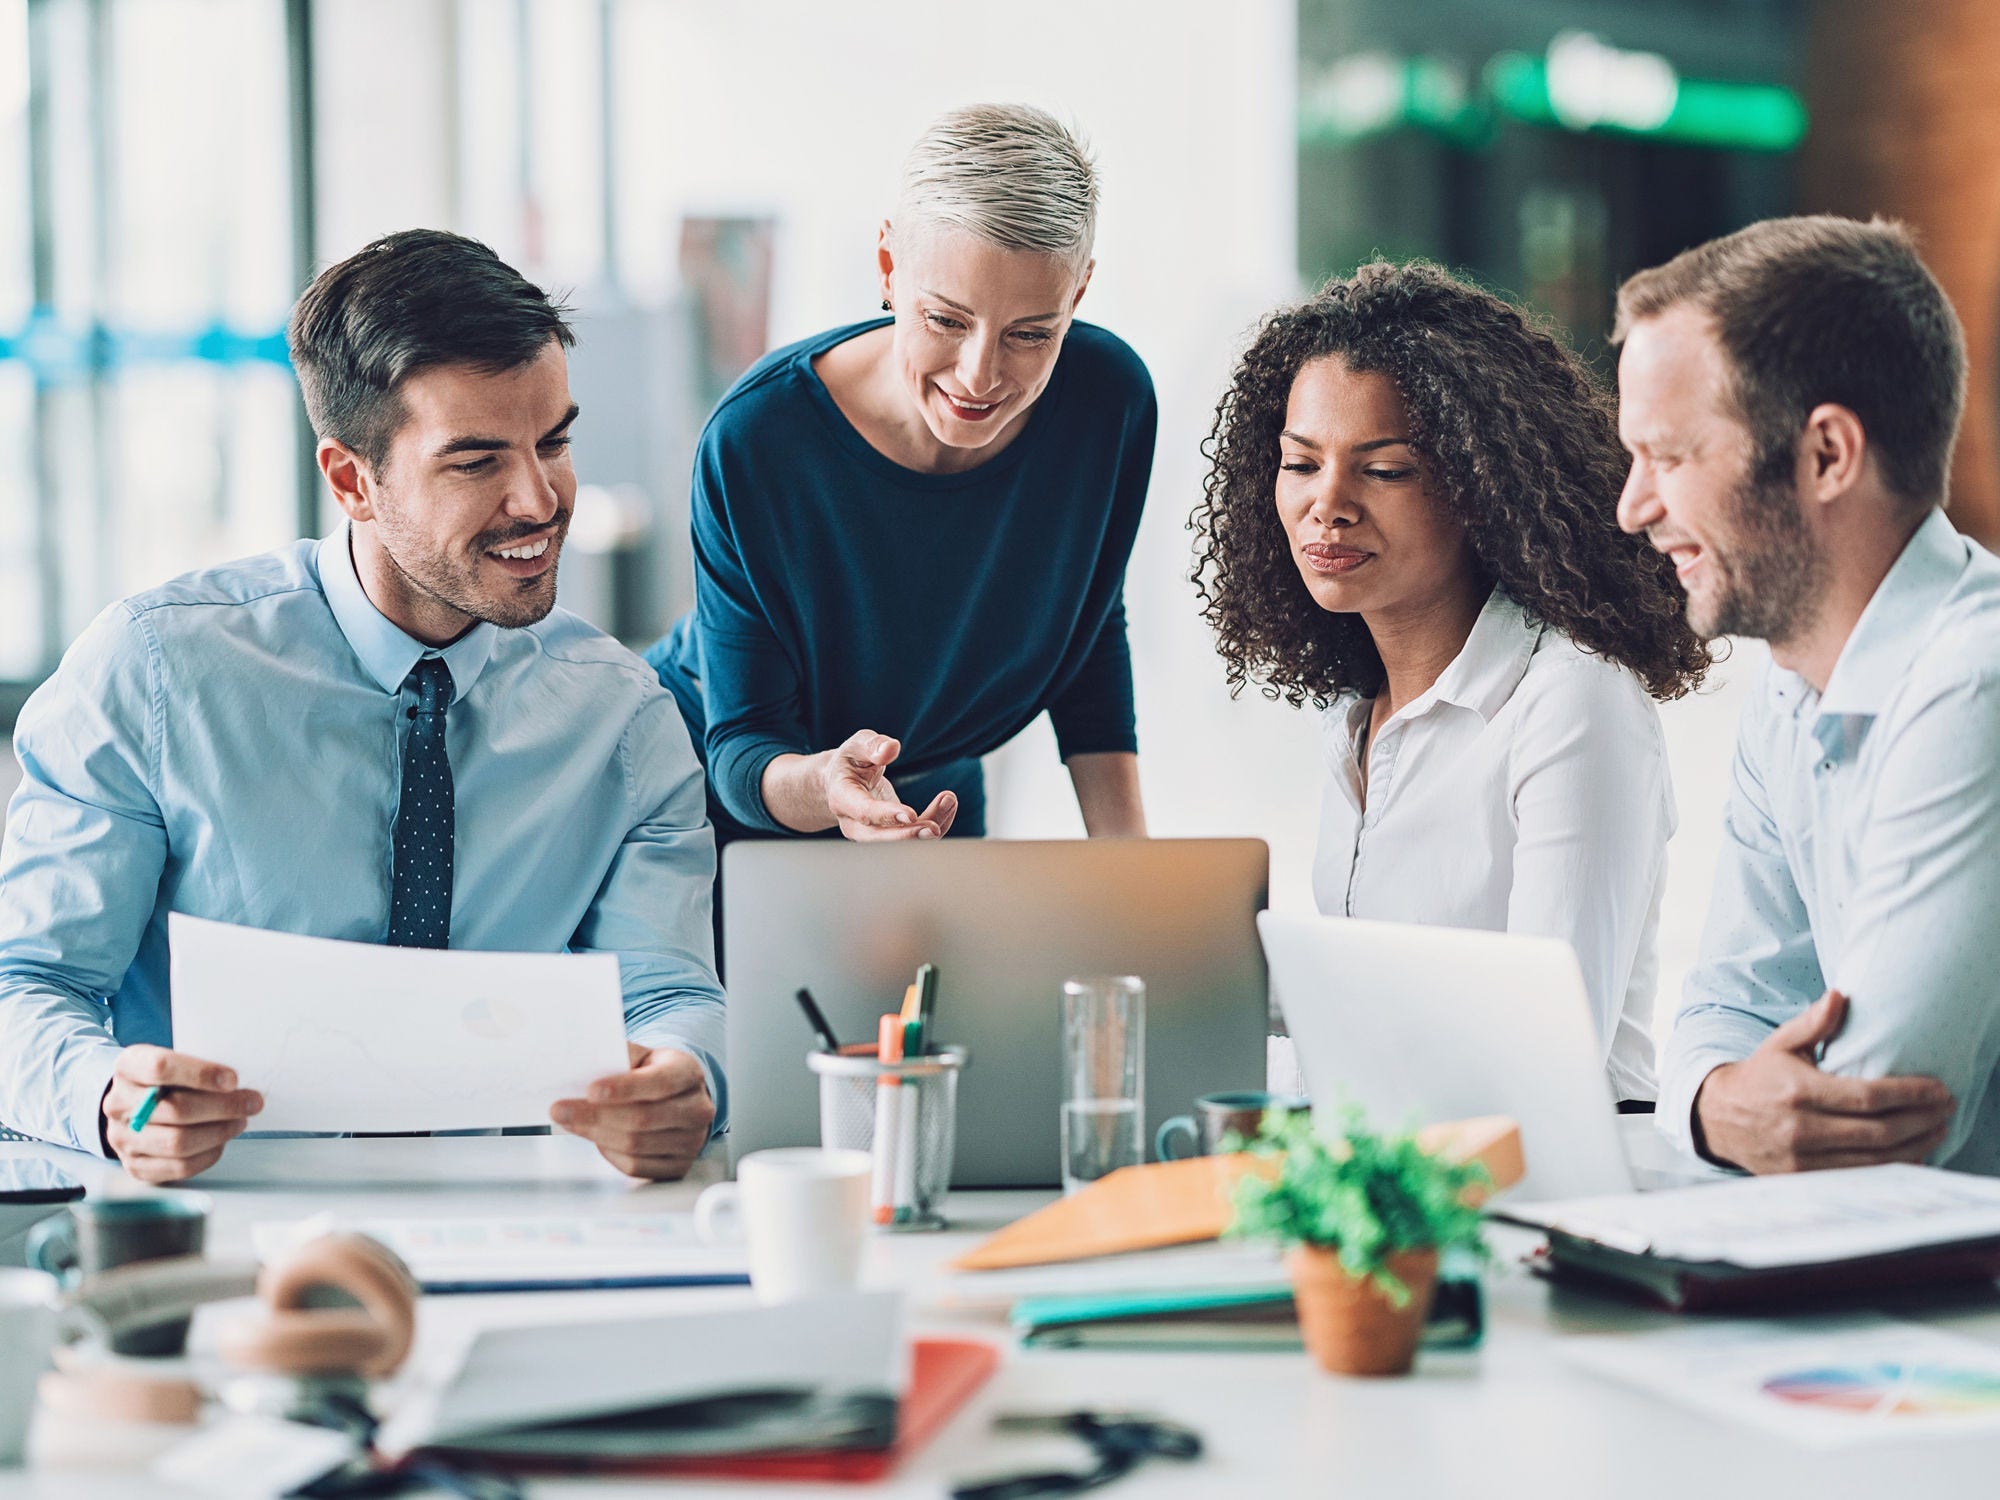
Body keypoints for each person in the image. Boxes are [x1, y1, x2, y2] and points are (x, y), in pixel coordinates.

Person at [0, 230, 724, 1184]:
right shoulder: (152, 672)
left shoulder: (621, 717)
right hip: (217, 1210)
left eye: (553, 442)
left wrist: (684, 1074)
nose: (540, 499)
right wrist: (111, 1097)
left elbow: (664, 990)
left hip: (519, 1209)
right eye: (476, 462)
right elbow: (29, 985)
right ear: (351, 480)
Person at [1192, 262, 1710, 1102]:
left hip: (1557, 1191)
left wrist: (1275, 1051)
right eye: (1299, 463)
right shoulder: (1357, 716)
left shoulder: (1572, 702)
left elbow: (1548, 1047)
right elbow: (1378, 997)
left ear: (1484, 489)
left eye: (1385, 470)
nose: (1328, 504)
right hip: (1407, 1171)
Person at [645, 104, 1152, 849]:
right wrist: (830, 788)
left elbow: (1082, 627)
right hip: (731, 799)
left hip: (930, 794)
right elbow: (742, 741)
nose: (980, 376)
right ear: (888, 268)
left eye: (1030, 334)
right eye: (946, 320)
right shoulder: (759, 441)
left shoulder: (1107, 403)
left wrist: (1137, 874)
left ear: (1076, 295)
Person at [1615, 214, 1993, 1175]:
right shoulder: (1789, 686)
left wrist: (1724, 1101)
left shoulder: (1976, 683)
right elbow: (1723, 1008)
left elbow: (1872, 1113)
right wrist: (1709, 1105)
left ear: (1826, 454)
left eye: (1668, 455)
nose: (1634, 506)